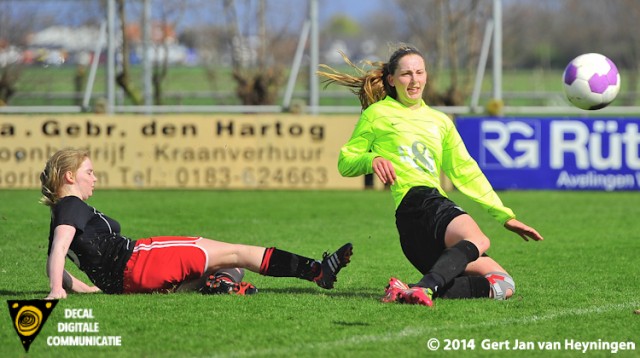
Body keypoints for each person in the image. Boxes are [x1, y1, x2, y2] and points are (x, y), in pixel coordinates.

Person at [317, 45, 543, 306]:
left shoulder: (440, 121)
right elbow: (346, 162)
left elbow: (465, 171)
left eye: (419, 72)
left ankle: (408, 290)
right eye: (406, 74)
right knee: (478, 239)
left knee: (502, 283)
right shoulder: (377, 114)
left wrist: (505, 215)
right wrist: (373, 159)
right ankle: (426, 287)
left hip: (420, 223)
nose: (414, 80)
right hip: (419, 201)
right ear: (391, 79)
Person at [41, 148, 353, 299]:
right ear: (70, 177)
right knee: (237, 253)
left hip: (126, 281)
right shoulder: (71, 205)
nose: (94, 177)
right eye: (89, 172)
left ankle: (217, 285)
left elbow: (56, 257)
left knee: (233, 268)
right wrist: (57, 290)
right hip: (140, 260)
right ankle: (317, 271)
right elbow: (58, 253)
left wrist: (88, 289)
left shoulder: (62, 213)